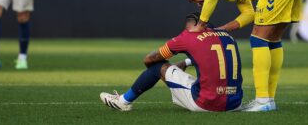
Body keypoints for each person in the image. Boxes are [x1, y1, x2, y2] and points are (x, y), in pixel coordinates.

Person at [183, 0, 306, 111]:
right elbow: (249, 13)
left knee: (258, 39)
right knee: (273, 39)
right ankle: (269, 99)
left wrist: (201, 24)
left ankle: (263, 101)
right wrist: (224, 29)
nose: (198, 4)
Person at [100, 12, 243, 112]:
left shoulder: (187, 36)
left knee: (157, 66)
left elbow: (149, 59)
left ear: (197, 24)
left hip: (207, 103)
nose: (186, 29)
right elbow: (214, 57)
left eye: (188, 25)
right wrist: (186, 62)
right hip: (235, 102)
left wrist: (157, 71)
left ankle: (123, 101)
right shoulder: (226, 35)